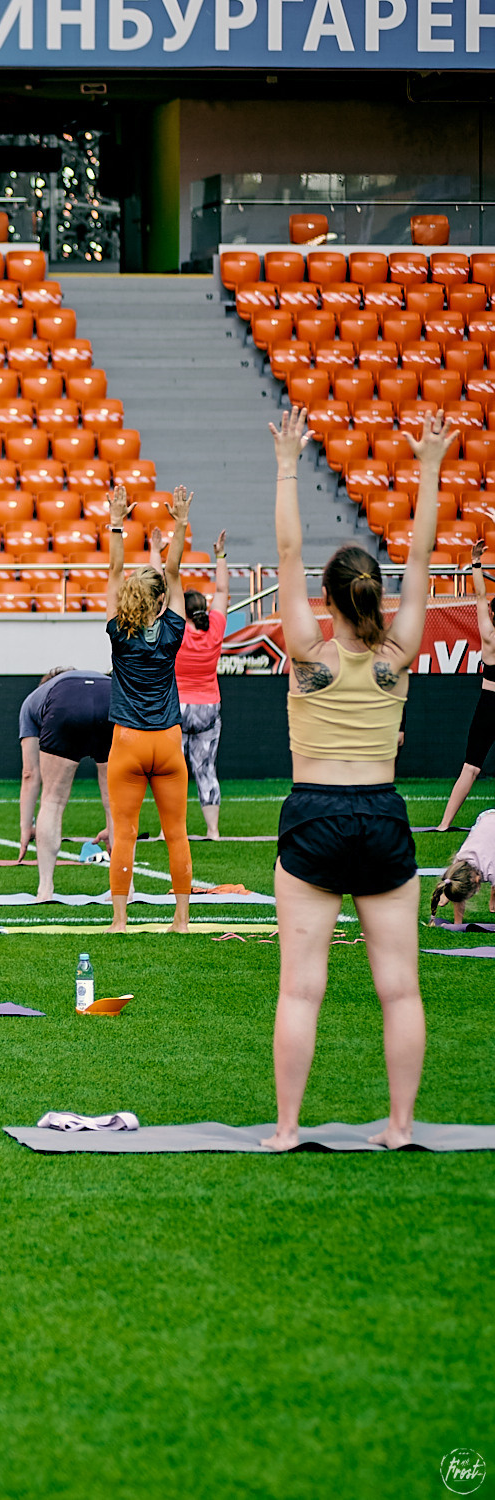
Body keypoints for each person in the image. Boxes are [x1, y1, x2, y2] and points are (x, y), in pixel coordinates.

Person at [264, 407, 452, 1152]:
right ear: (374, 595)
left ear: (331, 599)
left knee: (300, 988)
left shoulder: (307, 648)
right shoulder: (398, 652)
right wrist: (431, 466)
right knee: (400, 988)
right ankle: (400, 1126)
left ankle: (286, 1130)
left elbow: (286, 548)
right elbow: (427, 552)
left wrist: (287, 464)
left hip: (313, 815)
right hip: (381, 816)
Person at [102, 483, 195, 934]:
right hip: (168, 740)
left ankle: (120, 920)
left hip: (128, 741)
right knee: (176, 834)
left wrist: (117, 521)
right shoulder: (174, 628)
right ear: (160, 601)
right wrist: (179, 523)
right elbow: (174, 571)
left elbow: (117, 568)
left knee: (125, 834)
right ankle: (181, 919)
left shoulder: (119, 629)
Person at [16, 665, 115, 901]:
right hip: (110, 697)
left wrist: (25, 827)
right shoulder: (95, 679)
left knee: (53, 800)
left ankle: (45, 889)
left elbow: (30, 773)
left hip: (65, 706)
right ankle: (125, 888)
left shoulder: (34, 699)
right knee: (116, 804)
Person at [436, 536, 495, 832]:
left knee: (470, 767)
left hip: (488, 702)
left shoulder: (488, 633)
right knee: (470, 767)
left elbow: (480, 596)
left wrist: (475, 562)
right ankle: (444, 822)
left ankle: (445, 824)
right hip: (489, 702)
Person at [175, 529, 230, 839]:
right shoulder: (216, 629)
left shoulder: (178, 632)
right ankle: (213, 830)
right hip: (208, 705)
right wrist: (220, 555)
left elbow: (165, 584)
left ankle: (170, 829)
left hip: (179, 706)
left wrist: (160, 552)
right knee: (206, 769)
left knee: (173, 772)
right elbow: (222, 591)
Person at [431, 808, 495, 925]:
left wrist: (493, 898)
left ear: (477, 881)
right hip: (486, 818)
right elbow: (458, 885)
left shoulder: (491, 870)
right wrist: (458, 924)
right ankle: (448, 893)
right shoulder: (459, 861)